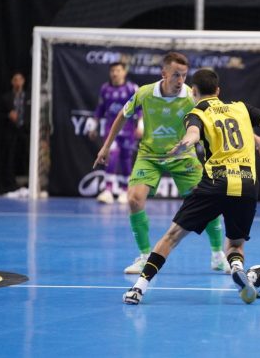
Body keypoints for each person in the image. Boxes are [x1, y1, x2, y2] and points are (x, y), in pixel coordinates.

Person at [119, 68, 260, 305]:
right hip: (247, 184)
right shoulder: (241, 108)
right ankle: (236, 267)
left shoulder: (196, 112)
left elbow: (194, 134)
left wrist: (186, 142)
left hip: (215, 183)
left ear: (193, 92)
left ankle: (138, 289)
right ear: (218, 90)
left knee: (171, 237)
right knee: (235, 244)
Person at [94, 53, 231, 274]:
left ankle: (217, 256)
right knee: (134, 199)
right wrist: (106, 146)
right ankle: (144, 257)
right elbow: (122, 115)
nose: (180, 80)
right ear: (164, 73)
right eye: (176, 75)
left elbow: (218, 118)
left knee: (208, 201)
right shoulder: (145, 93)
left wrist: (252, 137)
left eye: (184, 75)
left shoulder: (191, 97)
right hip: (150, 156)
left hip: (183, 156)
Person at [89, 62, 140, 204]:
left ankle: (125, 190)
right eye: (112, 71)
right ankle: (108, 190)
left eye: (118, 70)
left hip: (128, 130)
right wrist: (93, 125)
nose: (115, 73)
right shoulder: (105, 89)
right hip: (110, 130)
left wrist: (141, 124)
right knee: (111, 154)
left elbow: (139, 108)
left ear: (124, 72)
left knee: (125, 158)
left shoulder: (132, 88)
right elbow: (100, 109)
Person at [0, 72, 31, 193]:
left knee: (27, 156)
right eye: (15, 80)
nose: (17, 82)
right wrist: (9, 115)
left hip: (26, 131)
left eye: (20, 80)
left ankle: (29, 183)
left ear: (23, 81)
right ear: (12, 82)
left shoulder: (30, 97)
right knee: (10, 157)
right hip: (11, 131)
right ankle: (10, 184)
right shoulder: (6, 97)